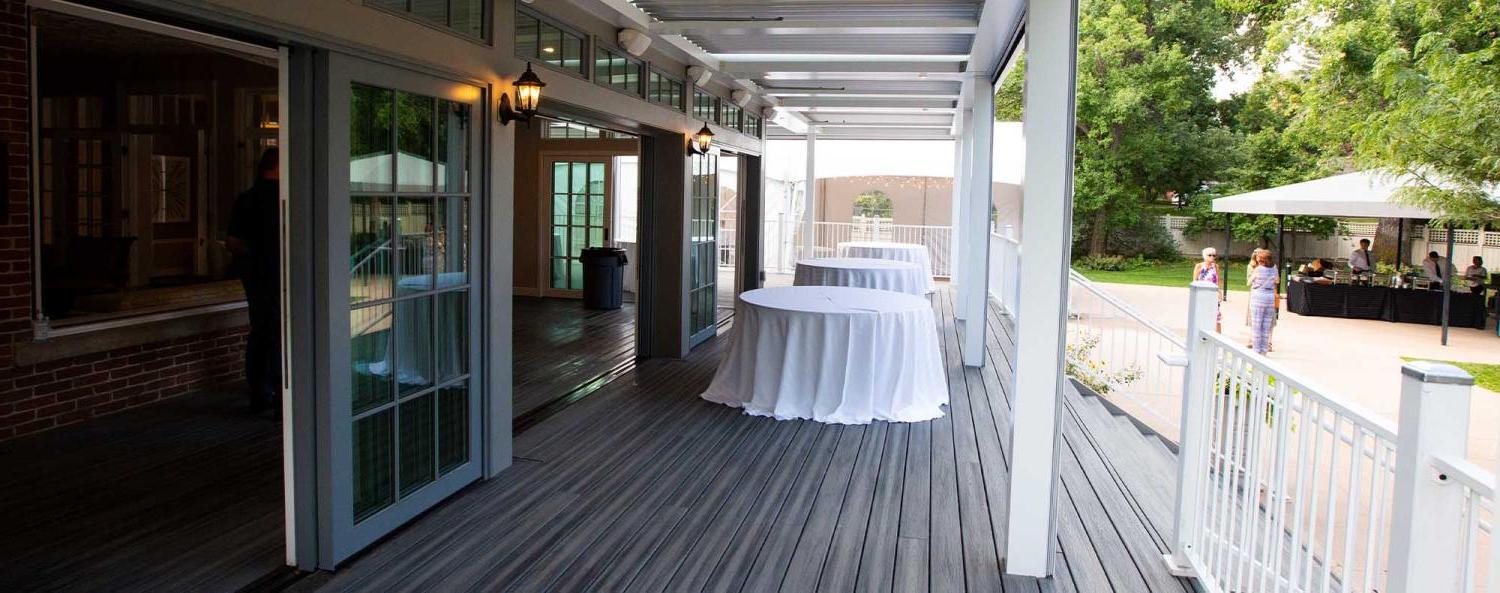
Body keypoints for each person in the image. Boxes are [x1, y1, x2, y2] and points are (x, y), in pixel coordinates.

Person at [229, 148, 281, 416]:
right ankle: (280, 395)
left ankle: (260, 393)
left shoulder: (246, 199)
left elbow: (234, 242)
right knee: (279, 335)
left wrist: (252, 261)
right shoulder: (285, 199)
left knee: (260, 331)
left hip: (256, 277)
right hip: (280, 276)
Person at [1248, 249, 1280, 355]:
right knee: (1266, 324)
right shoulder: (1274, 268)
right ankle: (1264, 350)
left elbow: (1249, 282)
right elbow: (1277, 281)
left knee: (1257, 324)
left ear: (1261, 259)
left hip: (1258, 296)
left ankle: (1256, 350)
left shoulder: (1258, 269)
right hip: (1270, 297)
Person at [1192, 247, 1224, 331]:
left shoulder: (1216, 266)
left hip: (1213, 294)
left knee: (1216, 316)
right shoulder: (1199, 266)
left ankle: (1218, 337)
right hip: (1202, 294)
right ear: (1204, 256)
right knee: (1202, 315)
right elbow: (1195, 281)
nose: (1212, 257)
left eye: (1214, 255)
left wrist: (1220, 293)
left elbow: (1218, 280)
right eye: (1209, 255)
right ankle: (1202, 334)